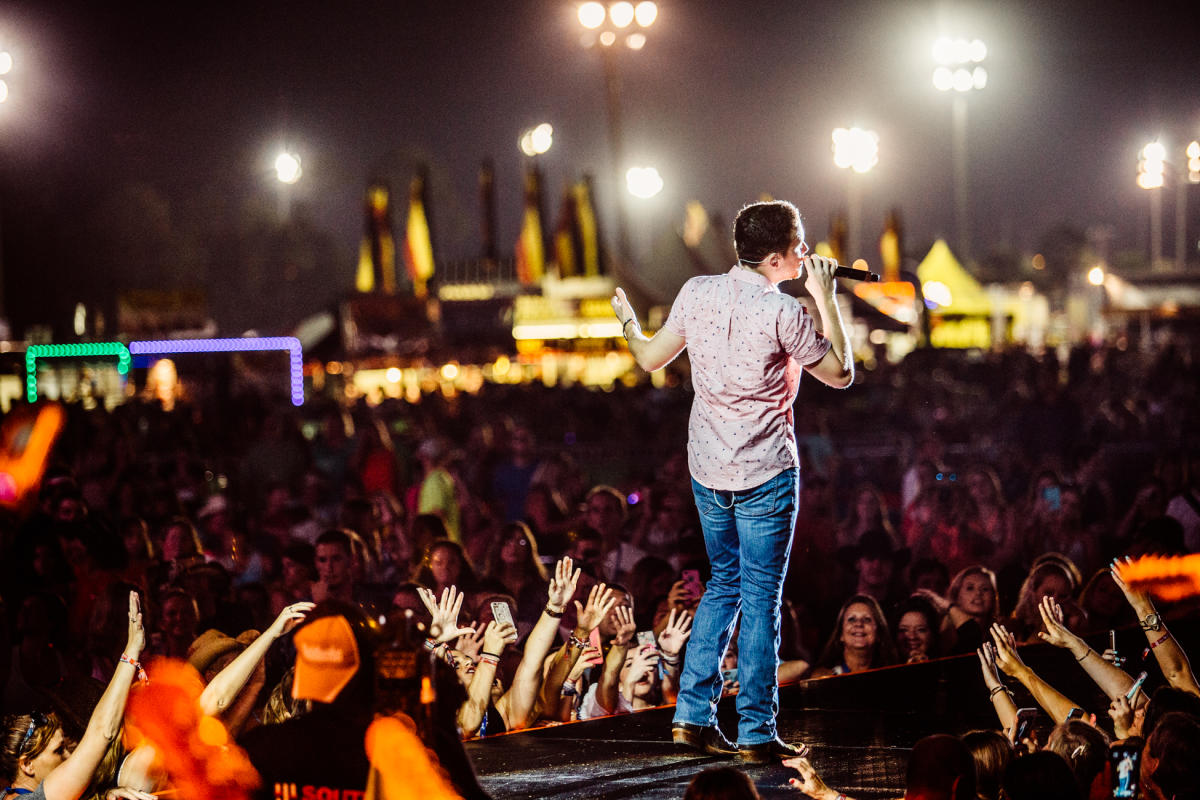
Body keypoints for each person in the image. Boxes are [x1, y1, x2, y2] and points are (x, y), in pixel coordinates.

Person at [611, 200, 853, 764]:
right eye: (798, 244)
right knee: (761, 597)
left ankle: (691, 718)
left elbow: (648, 358)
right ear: (775, 257)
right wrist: (827, 300)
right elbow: (841, 373)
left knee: (724, 583)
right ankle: (756, 731)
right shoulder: (783, 311)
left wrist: (628, 320)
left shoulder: (696, 290)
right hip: (766, 470)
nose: (806, 251)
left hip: (708, 468)